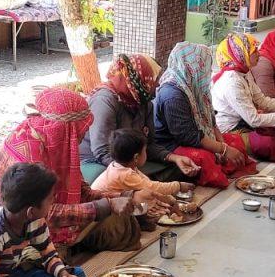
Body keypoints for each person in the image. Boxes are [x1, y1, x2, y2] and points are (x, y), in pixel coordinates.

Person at [0, 88, 169, 252]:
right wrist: (107, 205)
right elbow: (45, 214)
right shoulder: (29, 158)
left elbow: (81, 191)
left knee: (123, 223)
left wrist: (127, 195)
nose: (81, 138)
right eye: (79, 132)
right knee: (114, 229)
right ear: (66, 129)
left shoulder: (54, 144)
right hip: (13, 236)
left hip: (44, 222)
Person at [79, 54, 200, 184]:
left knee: (177, 168)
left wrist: (173, 157)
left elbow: (148, 144)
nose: (157, 84)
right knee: (107, 183)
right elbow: (102, 151)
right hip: (97, 161)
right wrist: (134, 176)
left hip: (131, 159)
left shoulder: (144, 102)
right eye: (153, 79)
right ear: (139, 80)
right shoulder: (105, 100)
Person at [153, 42, 258, 188]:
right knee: (205, 158)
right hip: (173, 144)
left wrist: (223, 145)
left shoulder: (195, 84)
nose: (207, 70)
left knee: (236, 142)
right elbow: (188, 137)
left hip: (199, 135)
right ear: (192, 66)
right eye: (204, 66)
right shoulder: (172, 95)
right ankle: (221, 173)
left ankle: (224, 168)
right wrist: (222, 149)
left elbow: (210, 120)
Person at [211, 33, 275, 163]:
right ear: (241, 54)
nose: (259, 54)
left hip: (246, 121)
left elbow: (262, 100)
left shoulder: (244, 71)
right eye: (254, 51)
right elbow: (254, 120)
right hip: (230, 129)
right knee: (265, 143)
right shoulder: (232, 82)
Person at [92, 129, 197, 206]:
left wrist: (170, 200)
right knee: (146, 202)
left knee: (150, 197)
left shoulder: (121, 166)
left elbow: (147, 184)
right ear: (136, 157)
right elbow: (153, 187)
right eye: (145, 151)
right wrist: (178, 186)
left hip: (106, 202)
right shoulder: (125, 174)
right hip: (102, 207)